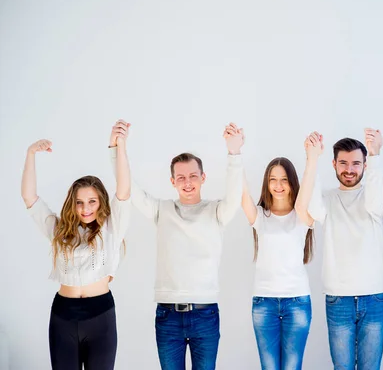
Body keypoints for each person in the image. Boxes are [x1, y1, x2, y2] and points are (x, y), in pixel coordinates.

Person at [110, 121, 244, 370]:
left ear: (203, 178)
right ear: (172, 181)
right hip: (168, 316)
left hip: (205, 315)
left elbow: (235, 196)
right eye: (181, 177)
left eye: (193, 176)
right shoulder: (162, 210)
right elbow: (127, 188)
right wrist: (117, 148)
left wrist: (234, 153)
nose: (188, 182)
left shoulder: (216, 211)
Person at [21, 120, 132, 369]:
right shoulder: (60, 231)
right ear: (72, 204)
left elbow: (124, 190)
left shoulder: (112, 228)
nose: (86, 208)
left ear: (101, 202)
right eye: (80, 202)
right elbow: (30, 198)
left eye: (92, 201)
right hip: (63, 315)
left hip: (100, 314)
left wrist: (118, 146)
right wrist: (30, 154)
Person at [295, 129, 383, 370]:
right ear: (334, 164)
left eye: (356, 163)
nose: (349, 169)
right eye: (343, 163)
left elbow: (376, 203)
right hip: (339, 298)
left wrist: (376, 153)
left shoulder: (373, 196)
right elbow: (307, 207)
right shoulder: (327, 200)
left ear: (365, 166)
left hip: (374, 296)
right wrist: (312, 158)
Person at [241, 154, 315, 370]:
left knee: (292, 367)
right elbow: (243, 193)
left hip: (297, 303)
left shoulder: (302, 215)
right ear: (267, 182)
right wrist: (234, 152)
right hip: (264, 303)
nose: (278, 185)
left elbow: (306, 192)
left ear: (292, 183)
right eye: (273, 179)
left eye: (284, 179)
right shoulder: (260, 216)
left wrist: (312, 158)